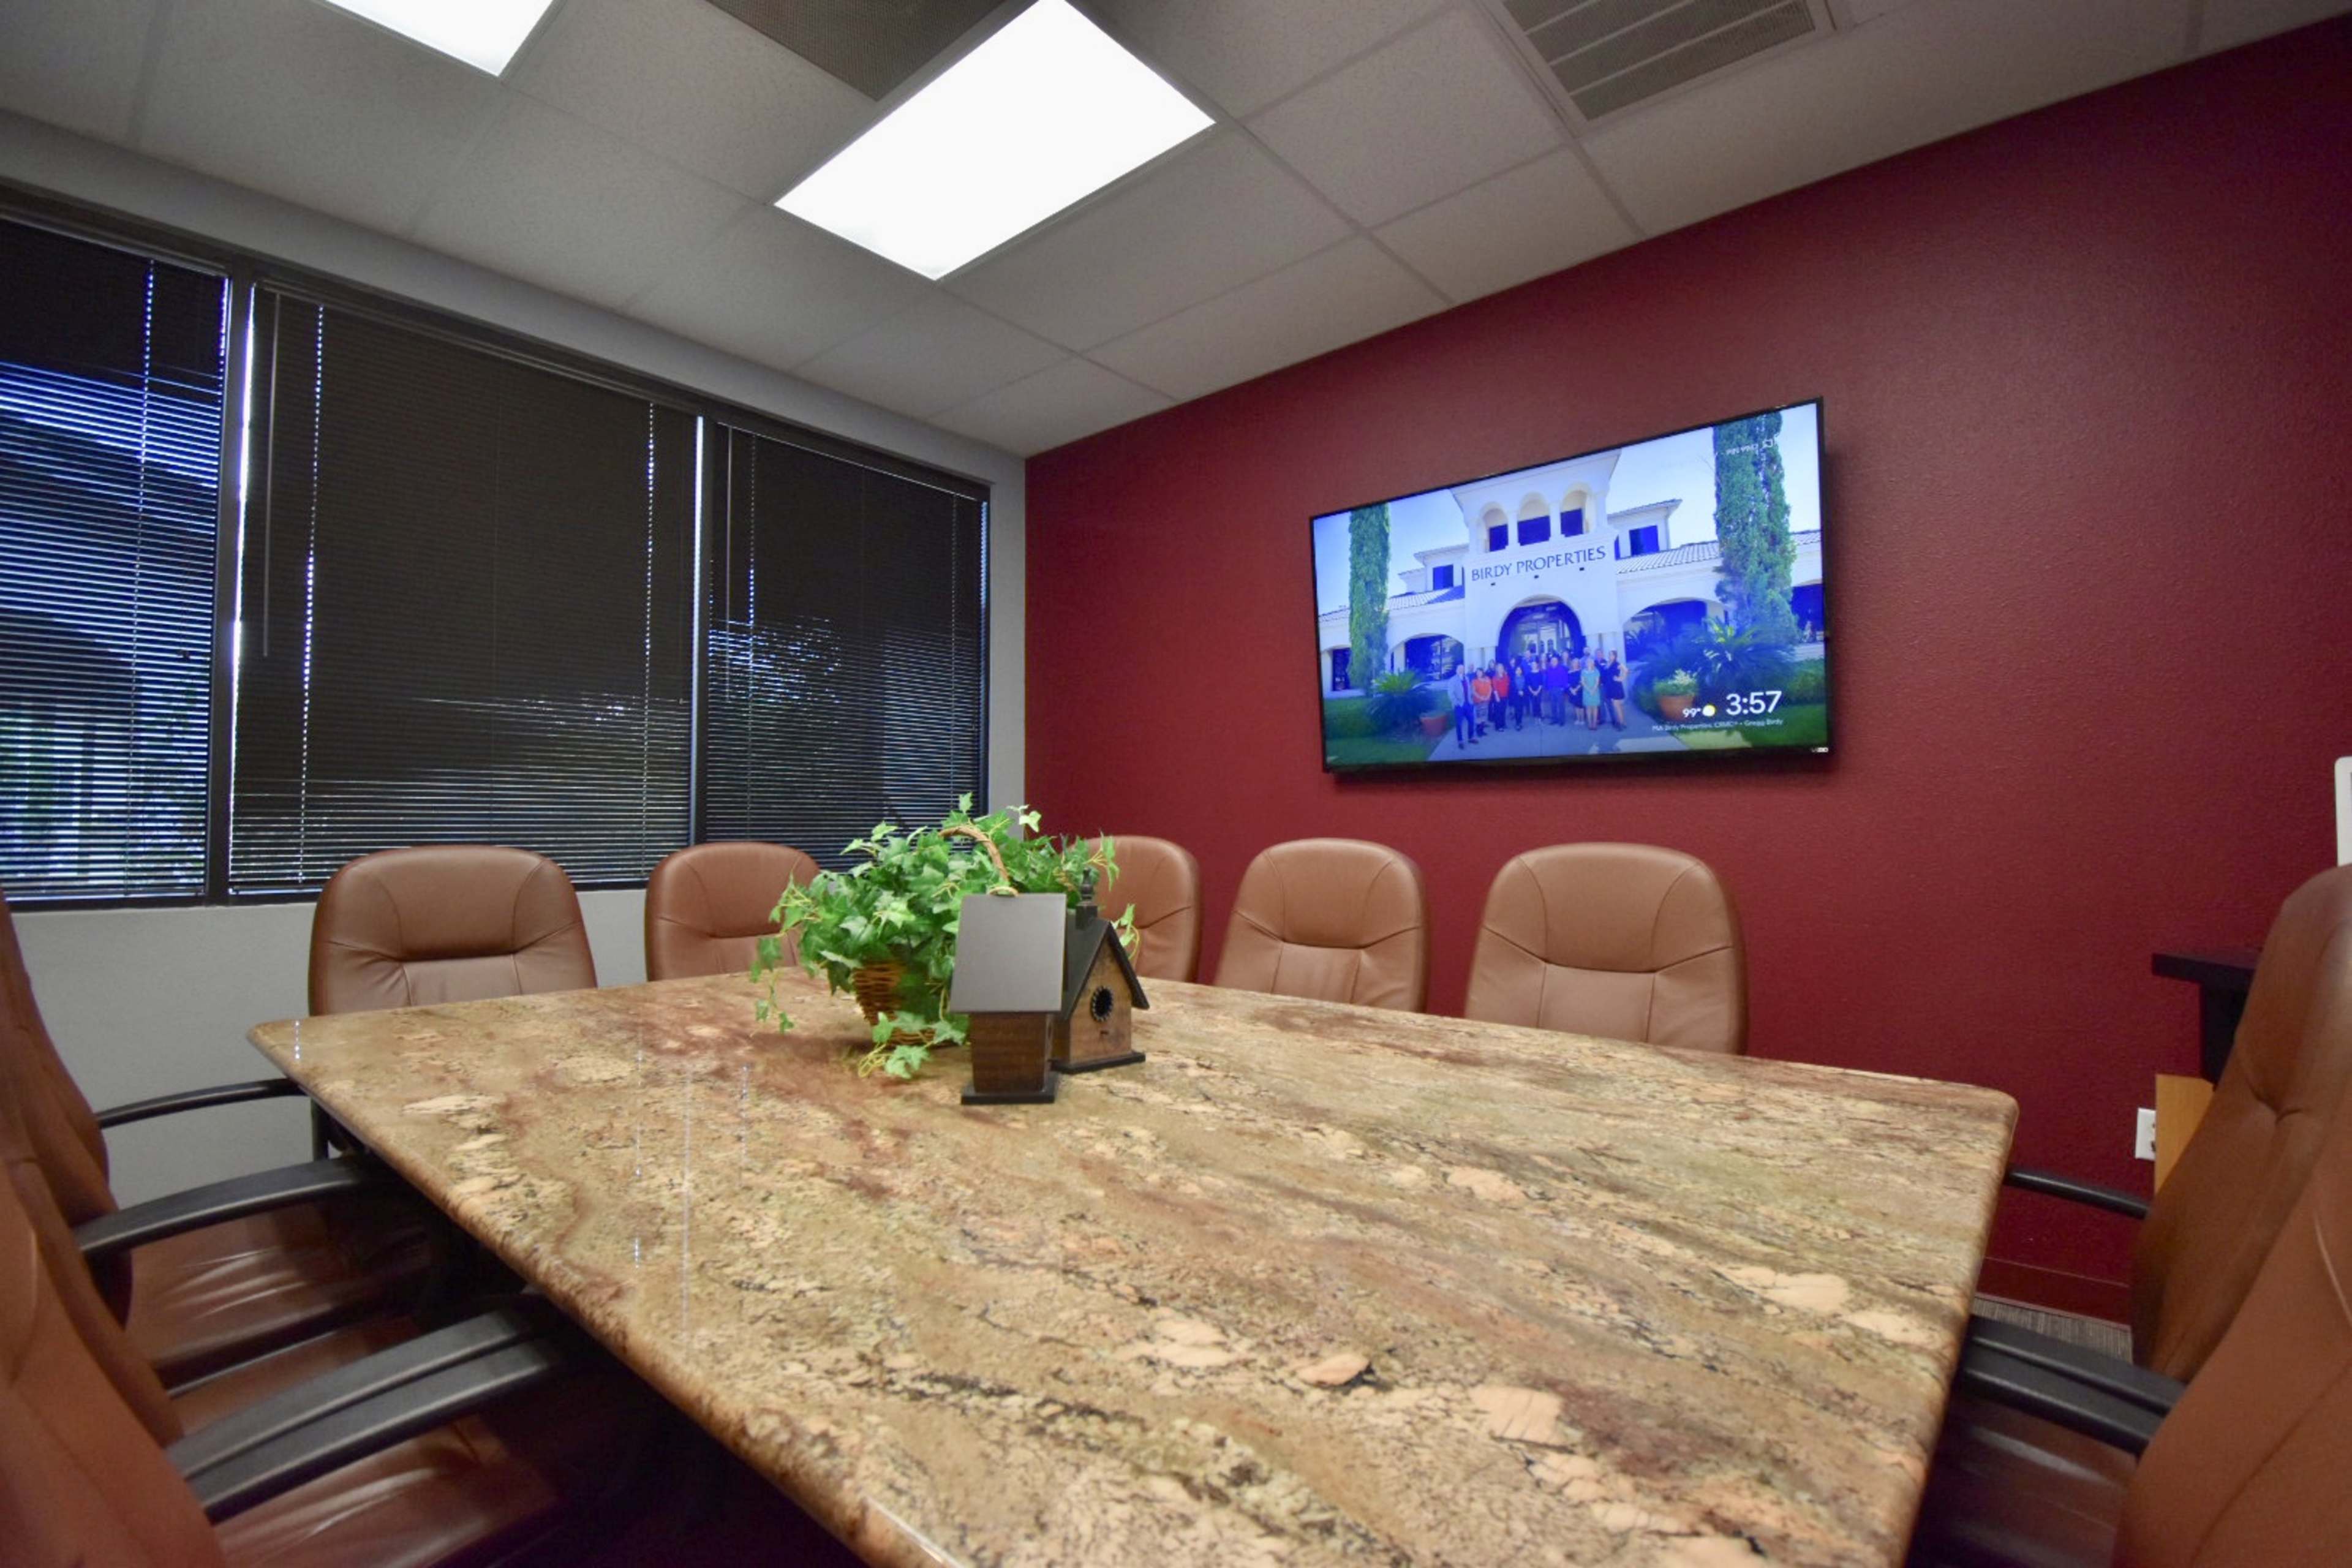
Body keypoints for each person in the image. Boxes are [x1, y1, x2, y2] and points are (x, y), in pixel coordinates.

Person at [1600, 647, 1628, 730]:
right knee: (1618, 705)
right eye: (1609, 654)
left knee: (1617, 706)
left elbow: (1626, 671)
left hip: (1616, 687)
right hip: (1610, 687)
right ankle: (1623, 722)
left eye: (1612, 655)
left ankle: (1621, 723)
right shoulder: (1608, 663)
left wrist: (1621, 679)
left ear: (1615, 656)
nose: (1610, 656)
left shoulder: (1617, 664)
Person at [1453, 665, 1477, 747]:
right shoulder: (1453, 680)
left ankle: (1471, 738)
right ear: (1456, 670)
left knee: (1471, 721)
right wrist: (1457, 703)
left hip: (1468, 705)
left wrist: (1471, 701)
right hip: (1459, 706)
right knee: (1459, 724)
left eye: (1463, 669)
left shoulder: (1466, 678)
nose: (1461, 671)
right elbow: (1451, 694)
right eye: (1460, 669)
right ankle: (1460, 741)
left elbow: (1469, 690)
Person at [1580, 654, 1602, 730]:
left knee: (1595, 708)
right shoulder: (1583, 672)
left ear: (1593, 663)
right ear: (1586, 664)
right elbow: (1583, 682)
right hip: (1586, 692)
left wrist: (1593, 690)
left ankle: (1594, 724)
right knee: (1588, 708)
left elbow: (1597, 682)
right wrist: (1589, 690)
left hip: (1595, 692)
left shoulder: (1596, 671)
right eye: (1588, 662)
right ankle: (1590, 724)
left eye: (1591, 662)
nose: (1589, 663)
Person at [1470, 665, 1493, 737]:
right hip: (1478, 701)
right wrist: (1480, 697)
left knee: (1484, 716)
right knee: (1479, 717)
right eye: (1477, 672)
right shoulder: (1474, 681)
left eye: (1480, 672)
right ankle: (1478, 732)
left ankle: (1482, 731)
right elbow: (1473, 691)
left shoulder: (1487, 679)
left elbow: (1490, 688)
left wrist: (1488, 696)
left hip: (1486, 700)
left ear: (1483, 672)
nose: (1479, 673)